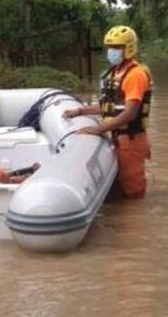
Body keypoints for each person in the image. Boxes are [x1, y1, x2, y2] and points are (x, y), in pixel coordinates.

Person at [63, 25, 153, 198]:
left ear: (128, 48)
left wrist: (98, 129)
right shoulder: (115, 74)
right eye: (110, 47)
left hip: (130, 139)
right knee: (119, 189)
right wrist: (81, 111)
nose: (112, 51)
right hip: (117, 137)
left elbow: (130, 113)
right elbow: (109, 108)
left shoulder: (135, 75)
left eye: (117, 47)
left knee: (133, 193)